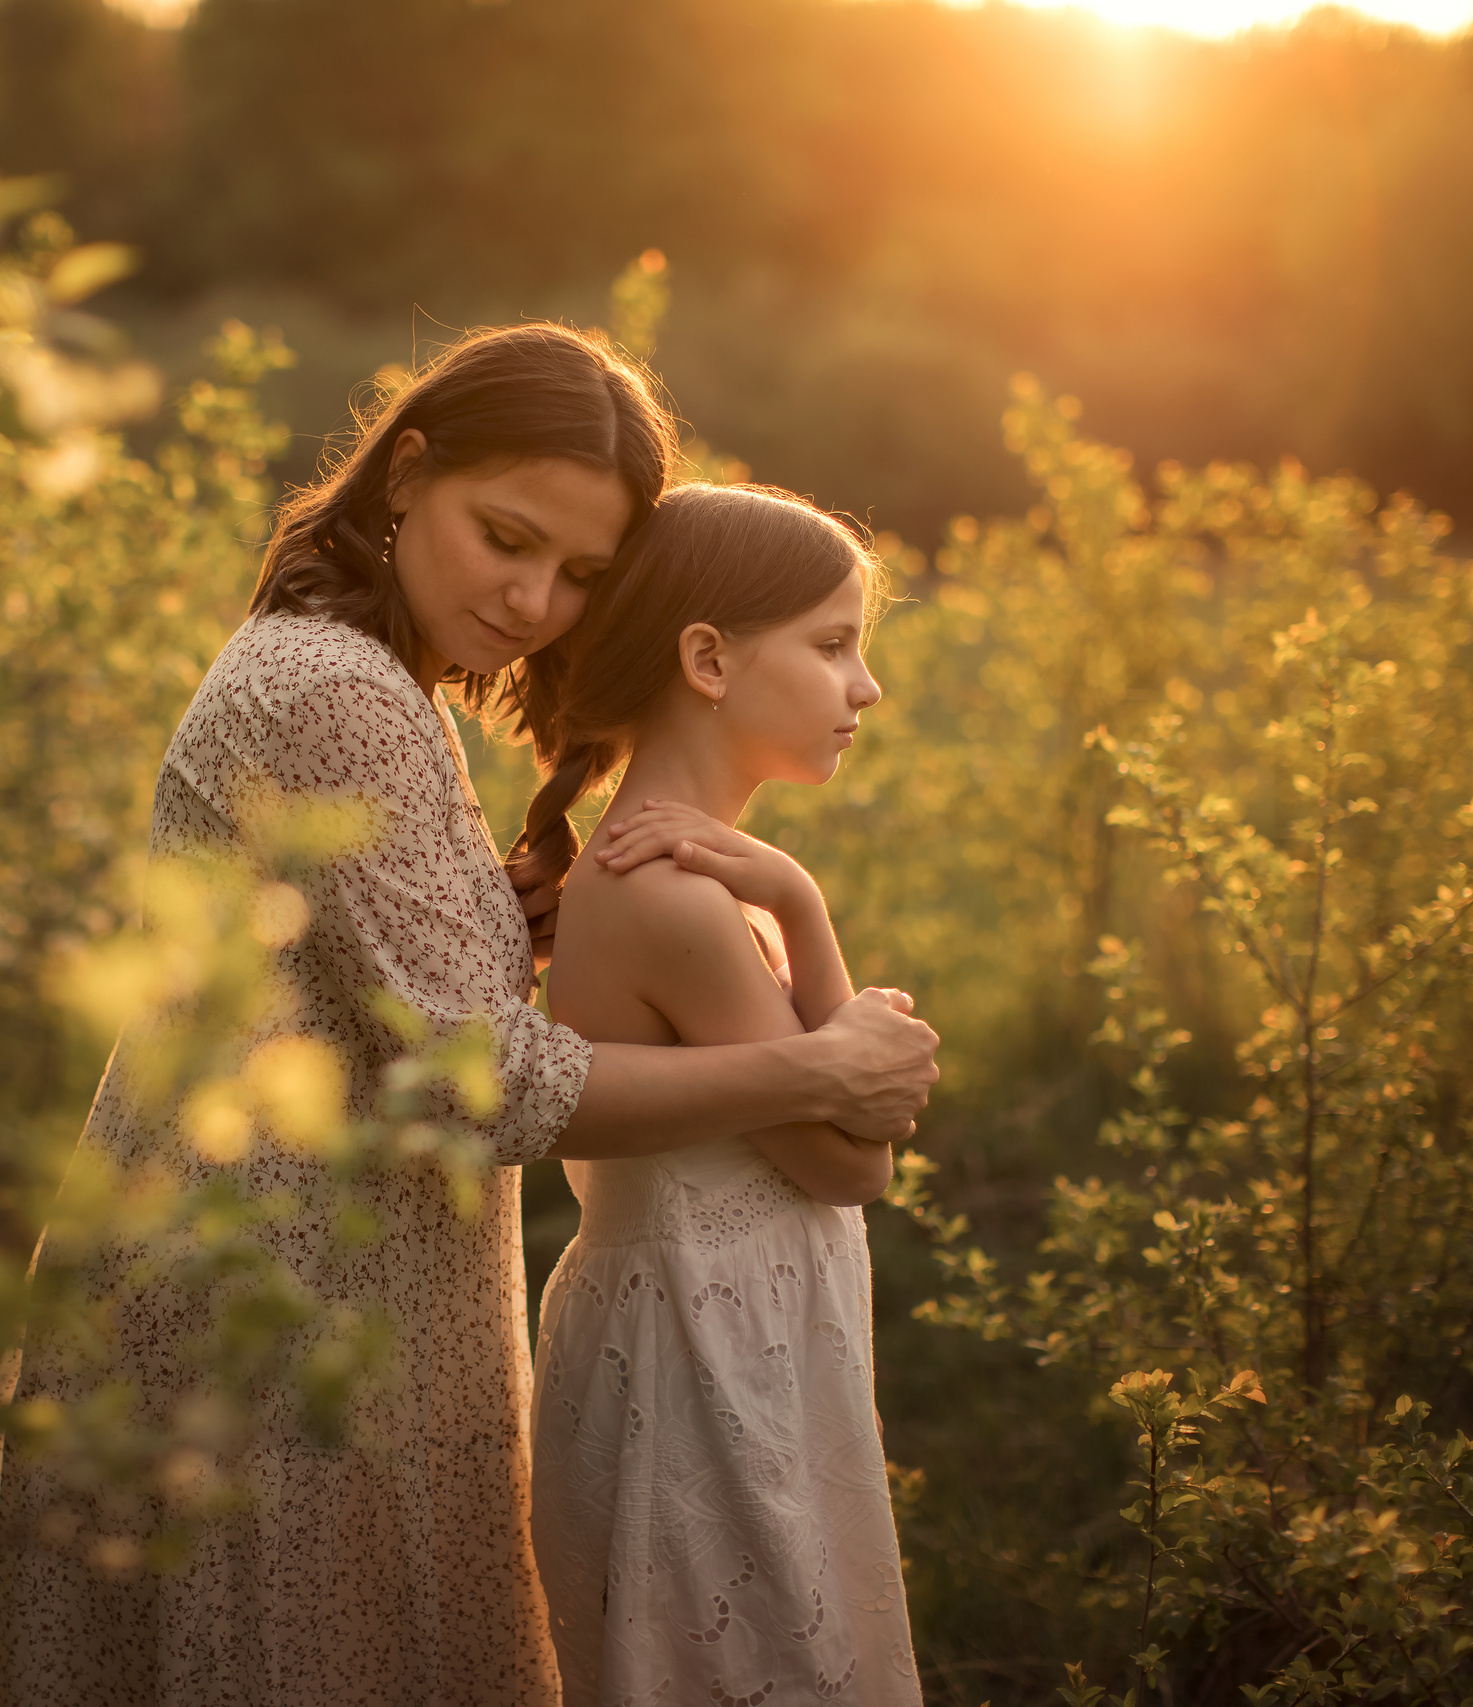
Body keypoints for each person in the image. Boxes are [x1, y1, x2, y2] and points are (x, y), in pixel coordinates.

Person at [0, 326, 939, 1707]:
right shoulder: (340, 690)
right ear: (406, 470)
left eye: (579, 575)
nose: (534, 599)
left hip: (282, 1276)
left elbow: (346, 978)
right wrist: (814, 1061)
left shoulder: (344, 668)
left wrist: (493, 919)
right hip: (270, 1306)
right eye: (507, 537)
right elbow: (474, 1080)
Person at [523, 483, 920, 1704]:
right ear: (708, 657)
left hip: (724, 1349)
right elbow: (855, 1165)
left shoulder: (706, 872)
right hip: (697, 1372)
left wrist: (796, 902)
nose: (866, 688)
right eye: (834, 643)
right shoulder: (674, 891)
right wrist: (795, 904)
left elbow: (847, 1138)